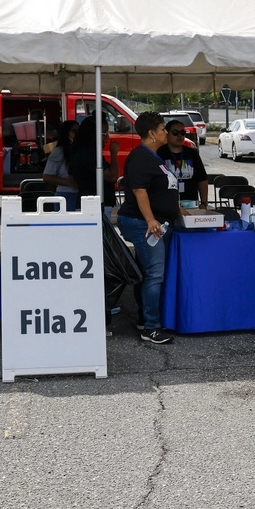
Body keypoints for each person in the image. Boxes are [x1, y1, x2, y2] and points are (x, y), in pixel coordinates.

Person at [117, 111, 180, 345]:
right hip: (143, 223)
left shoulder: (153, 156)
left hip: (155, 222)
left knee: (147, 273)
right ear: (152, 133)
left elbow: (159, 189)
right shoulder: (141, 157)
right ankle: (151, 327)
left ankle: (146, 319)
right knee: (154, 274)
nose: (166, 132)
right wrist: (151, 219)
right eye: (163, 129)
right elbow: (139, 190)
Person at [68, 117, 118, 217]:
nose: (107, 138)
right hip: (95, 206)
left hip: (87, 202)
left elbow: (71, 177)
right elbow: (112, 176)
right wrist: (114, 153)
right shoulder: (90, 155)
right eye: (104, 134)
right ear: (94, 135)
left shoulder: (78, 151)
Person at [160, 119, 209, 209]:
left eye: (182, 132)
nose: (179, 136)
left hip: (191, 203)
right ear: (167, 134)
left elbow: (202, 179)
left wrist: (204, 203)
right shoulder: (160, 153)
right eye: (175, 132)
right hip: (167, 205)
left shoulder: (192, 153)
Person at [42, 119, 80, 210]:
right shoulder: (59, 151)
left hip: (79, 194)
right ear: (66, 133)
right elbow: (47, 177)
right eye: (74, 131)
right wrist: (70, 183)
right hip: (66, 194)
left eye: (79, 131)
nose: (78, 134)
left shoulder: (80, 150)